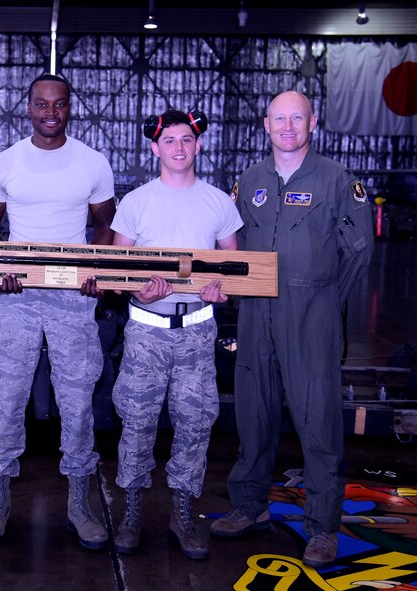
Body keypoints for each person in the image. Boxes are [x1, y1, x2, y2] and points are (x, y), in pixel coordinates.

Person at [210, 90, 374, 568]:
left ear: (313, 123)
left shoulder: (337, 179)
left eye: (296, 118)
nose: (287, 127)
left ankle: (322, 527)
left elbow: (359, 250)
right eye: (279, 118)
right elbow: (233, 245)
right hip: (256, 315)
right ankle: (249, 505)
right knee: (253, 413)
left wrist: (322, 298)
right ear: (266, 124)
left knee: (318, 421)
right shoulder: (250, 179)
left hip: (311, 317)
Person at [0, 73, 117, 549]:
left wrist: (93, 271)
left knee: (77, 403)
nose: (50, 111)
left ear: (69, 108)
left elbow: (104, 226)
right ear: (29, 108)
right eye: (41, 104)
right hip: (16, 296)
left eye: (58, 104)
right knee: (7, 398)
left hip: (71, 298)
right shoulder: (5, 162)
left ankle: (79, 504)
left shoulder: (93, 163)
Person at [109, 109, 243, 560]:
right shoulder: (135, 202)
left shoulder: (220, 202)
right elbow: (114, 270)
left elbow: (235, 267)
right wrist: (138, 290)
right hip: (146, 332)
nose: (179, 147)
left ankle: (182, 514)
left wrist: (219, 289)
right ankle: (131, 512)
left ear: (198, 145)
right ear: (155, 148)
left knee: (194, 423)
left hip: (197, 333)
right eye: (170, 141)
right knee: (138, 423)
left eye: (187, 139)